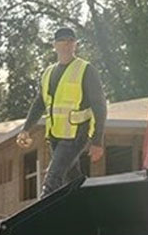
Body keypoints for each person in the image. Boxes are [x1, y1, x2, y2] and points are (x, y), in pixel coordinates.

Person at [17, 26, 107, 197]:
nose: (67, 45)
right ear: (55, 45)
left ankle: (40, 219)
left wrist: (97, 141)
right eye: (62, 41)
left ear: (75, 45)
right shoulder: (48, 73)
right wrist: (26, 129)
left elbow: (100, 106)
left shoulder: (86, 70)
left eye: (70, 41)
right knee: (73, 179)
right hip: (55, 137)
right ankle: (86, 211)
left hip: (76, 135)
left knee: (53, 178)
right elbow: (39, 103)